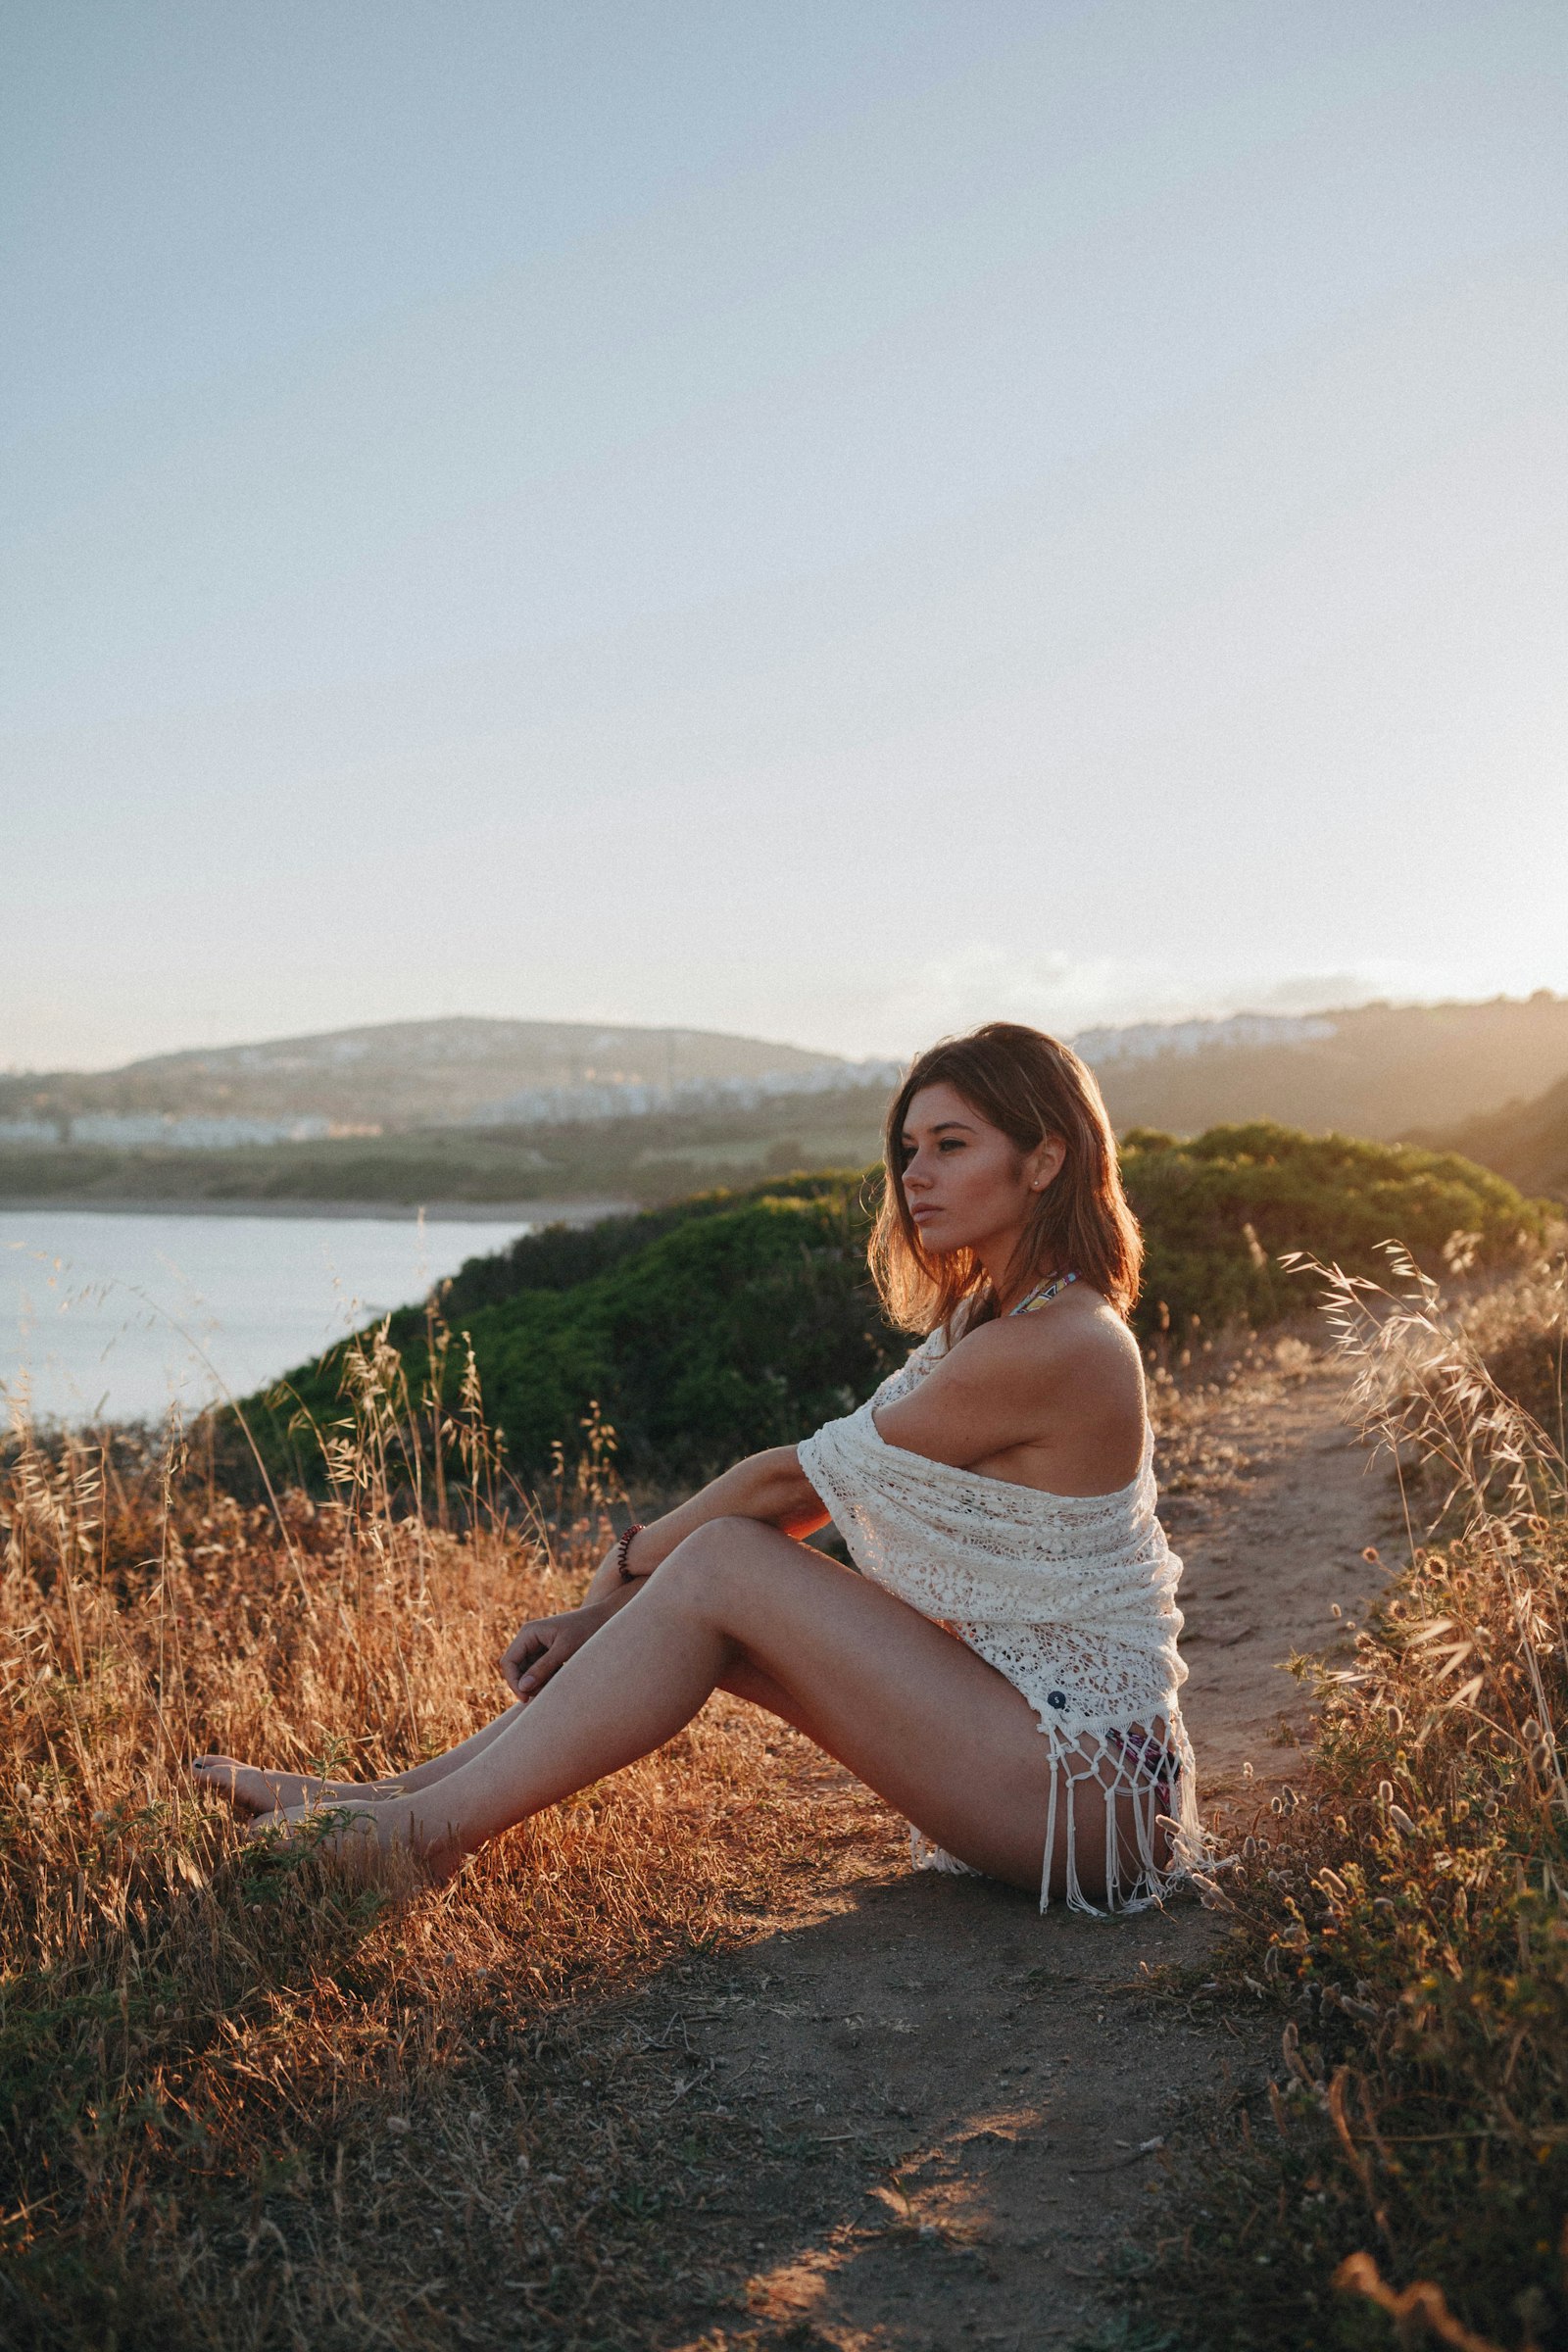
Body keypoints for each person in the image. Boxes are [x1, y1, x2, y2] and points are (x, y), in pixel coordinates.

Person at [195, 1022, 1199, 1915]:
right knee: (719, 1584)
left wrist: (632, 1559)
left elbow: (790, 1487)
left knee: (722, 1561)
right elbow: (813, 1502)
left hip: (1093, 1800)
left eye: (950, 1145)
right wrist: (620, 1605)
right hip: (1040, 1765)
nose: (913, 1177)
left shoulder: (1055, 1343)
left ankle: (419, 1838)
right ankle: (398, 1805)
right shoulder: (990, 1319)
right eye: (906, 1151)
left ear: (1044, 1160)